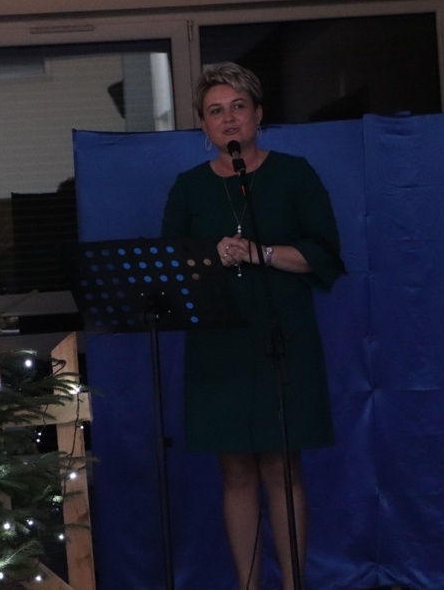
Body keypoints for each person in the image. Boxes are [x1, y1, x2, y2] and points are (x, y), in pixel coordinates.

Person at [160, 62, 345, 590]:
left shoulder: (295, 174)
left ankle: (293, 585)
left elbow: (324, 256)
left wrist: (260, 252)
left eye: (238, 107)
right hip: (218, 347)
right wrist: (210, 256)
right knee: (236, 470)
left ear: (258, 114)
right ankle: (248, 585)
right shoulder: (189, 187)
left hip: (283, 339)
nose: (229, 119)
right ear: (203, 125)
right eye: (216, 111)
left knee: (282, 468)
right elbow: (169, 268)